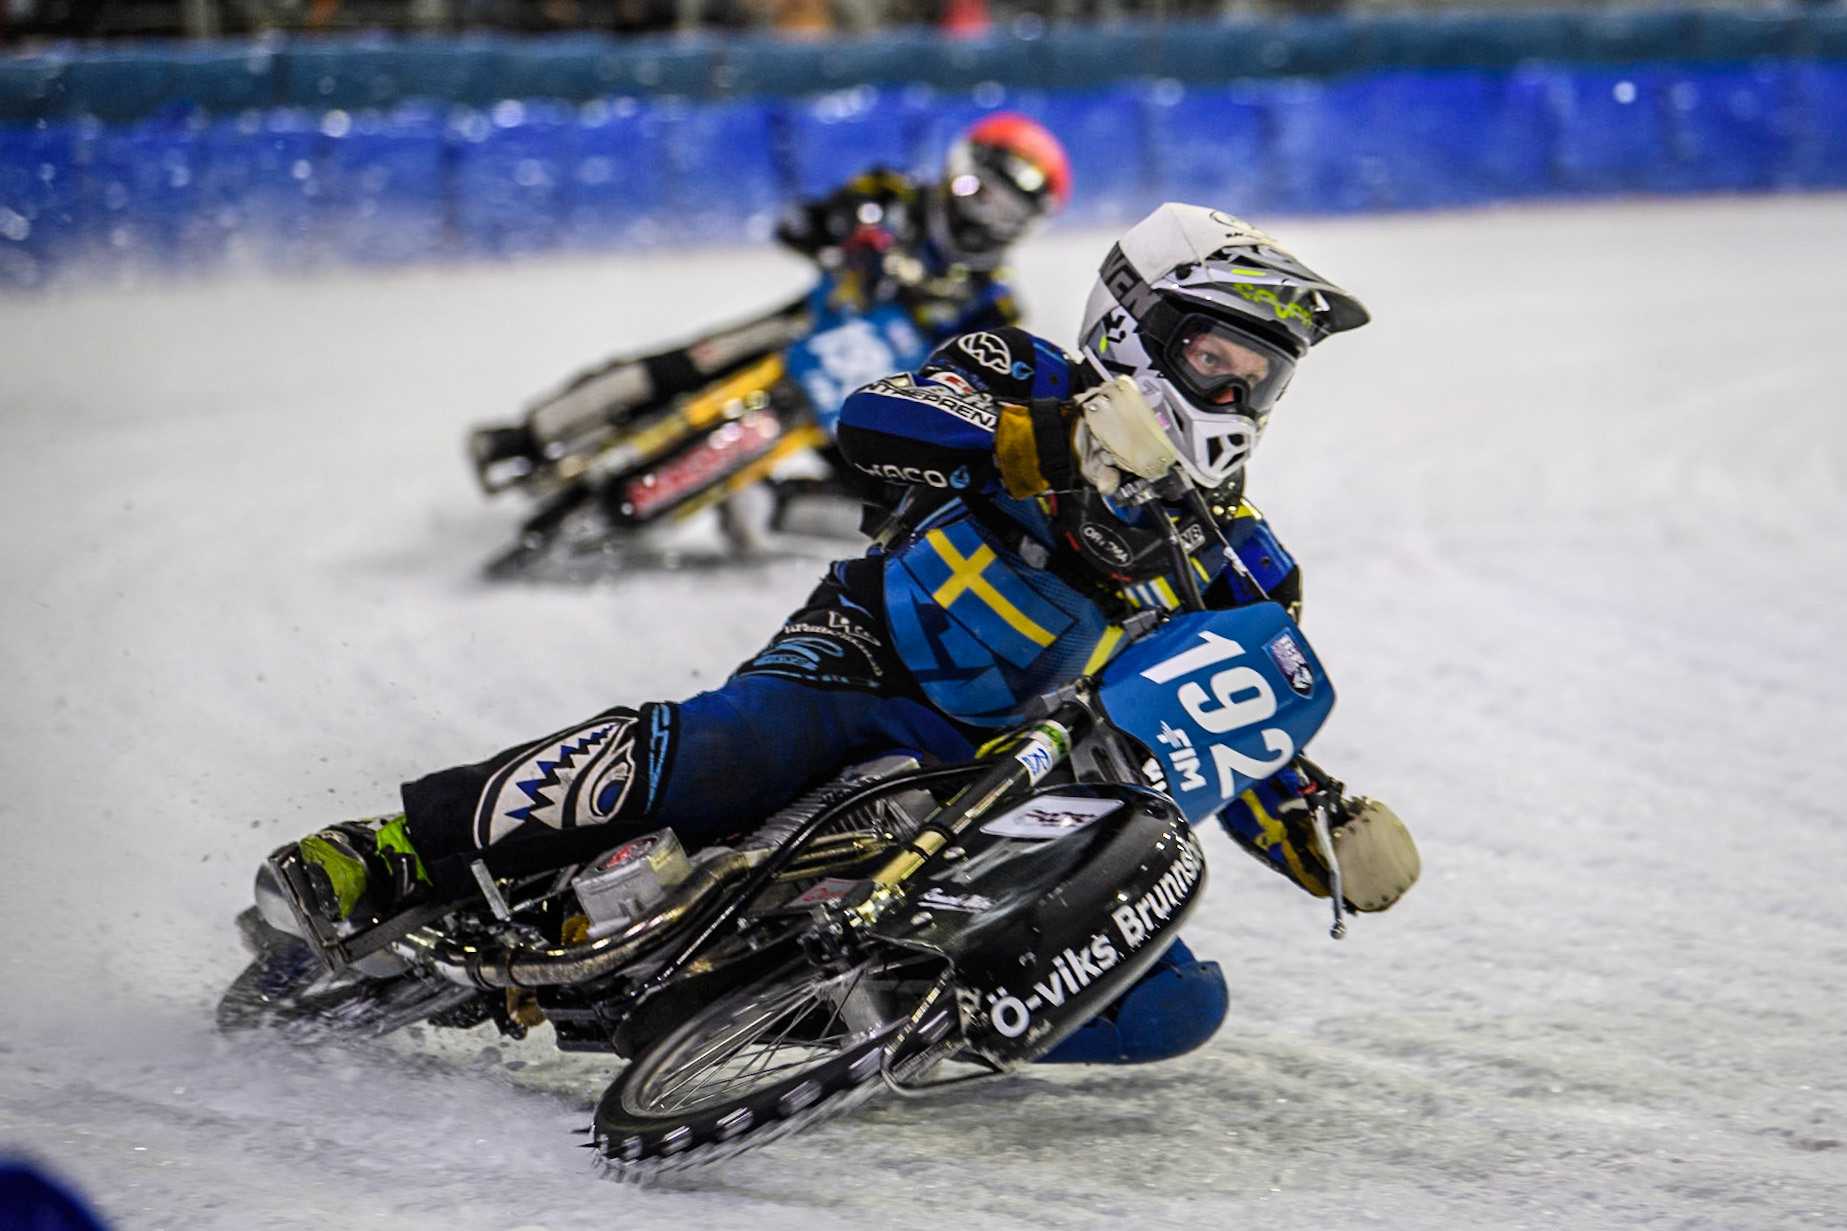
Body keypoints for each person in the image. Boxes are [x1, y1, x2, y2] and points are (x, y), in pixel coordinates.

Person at [297, 203, 1420, 1064]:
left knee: (1172, 998)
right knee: (733, 745)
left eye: (1256, 372)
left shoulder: (1246, 564)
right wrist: (1052, 445)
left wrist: (1317, 827)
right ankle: (395, 848)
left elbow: (1215, 717)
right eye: (1211, 355)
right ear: (1138, 328)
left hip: (1011, 779)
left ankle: (838, 1014)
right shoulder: (1020, 370)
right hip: (866, 656)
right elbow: (876, 420)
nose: (1231, 389)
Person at [468, 111, 1073, 495]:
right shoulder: (889, 196)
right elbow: (797, 225)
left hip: (861, 404)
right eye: (979, 190)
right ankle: (528, 434)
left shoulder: (997, 307)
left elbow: (974, 383)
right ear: (957, 171)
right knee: (673, 367)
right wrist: (838, 226)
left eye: (1006, 207)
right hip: (799, 328)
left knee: (898, 502)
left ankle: (771, 508)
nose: (981, 212)